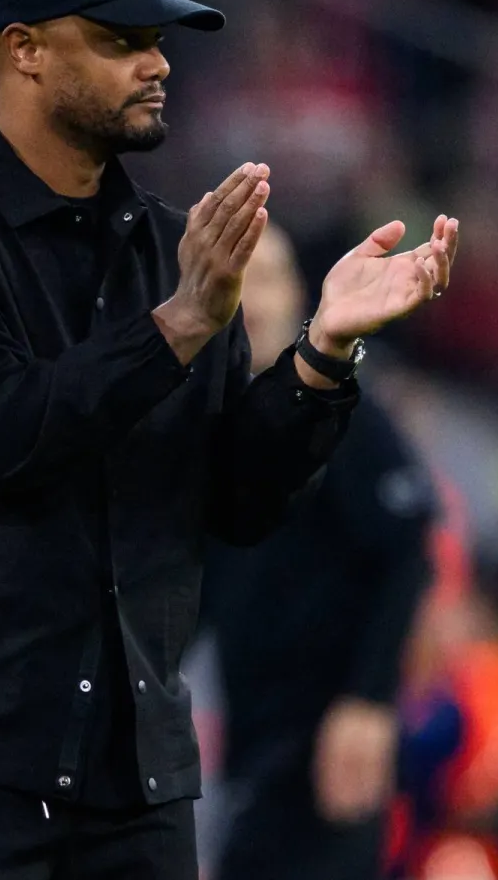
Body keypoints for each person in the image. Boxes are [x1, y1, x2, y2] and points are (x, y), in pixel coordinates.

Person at [0, 0, 458, 880]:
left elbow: (234, 499)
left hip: (135, 778)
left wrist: (323, 351)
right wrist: (182, 322)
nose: (156, 64)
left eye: (160, 42)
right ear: (23, 50)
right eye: (119, 40)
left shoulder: (166, 244)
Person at [202, 223, 437, 880]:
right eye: (234, 275)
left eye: (269, 275)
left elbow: (408, 550)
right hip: (246, 730)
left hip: (323, 737)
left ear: (302, 294)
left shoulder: (344, 412)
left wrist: (368, 700)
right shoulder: (197, 415)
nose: (251, 297)